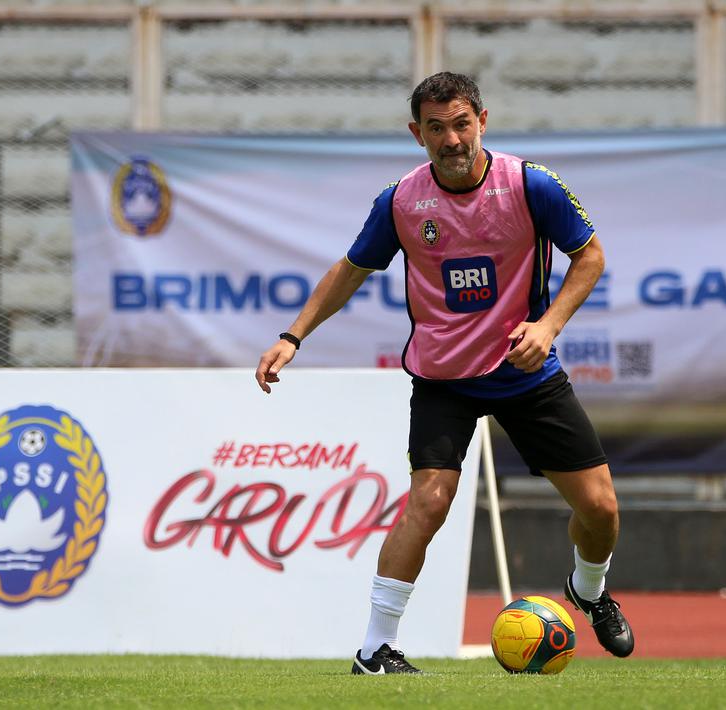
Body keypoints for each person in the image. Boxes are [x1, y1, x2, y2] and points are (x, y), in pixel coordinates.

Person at [254, 72, 634, 674]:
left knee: (602, 510)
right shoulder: (402, 201)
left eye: (461, 123)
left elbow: (590, 256)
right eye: (436, 128)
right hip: (443, 378)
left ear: (482, 120)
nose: (451, 139)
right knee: (428, 502)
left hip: (523, 371)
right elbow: (352, 268)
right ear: (417, 133)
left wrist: (548, 327)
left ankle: (588, 590)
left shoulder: (531, 185)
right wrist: (292, 336)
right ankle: (374, 651)